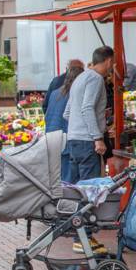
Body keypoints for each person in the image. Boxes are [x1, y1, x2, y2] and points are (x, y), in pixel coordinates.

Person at [63, 46, 114, 254]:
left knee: (78, 190)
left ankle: (80, 234)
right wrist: (97, 136)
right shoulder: (95, 79)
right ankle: (82, 238)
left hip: (74, 140)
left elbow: (68, 113)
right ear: (109, 61)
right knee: (89, 191)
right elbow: (86, 108)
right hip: (86, 142)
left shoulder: (80, 78)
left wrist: (83, 125)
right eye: (114, 63)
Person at [45, 65, 84, 181]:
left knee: (56, 177)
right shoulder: (74, 94)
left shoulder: (55, 92)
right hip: (66, 139)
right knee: (68, 179)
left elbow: (46, 111)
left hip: (51, 137)